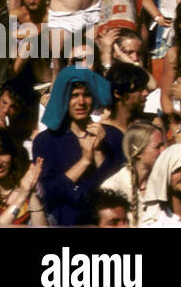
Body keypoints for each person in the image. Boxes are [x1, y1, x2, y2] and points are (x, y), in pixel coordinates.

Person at [32, 66, 125, 226]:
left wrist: (98, 153)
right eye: (74, 95)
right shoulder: (45, 141)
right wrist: (84, 161)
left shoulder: (113, 136)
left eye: (87, 95)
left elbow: (120, 188)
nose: (81, 102)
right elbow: (49, 193)